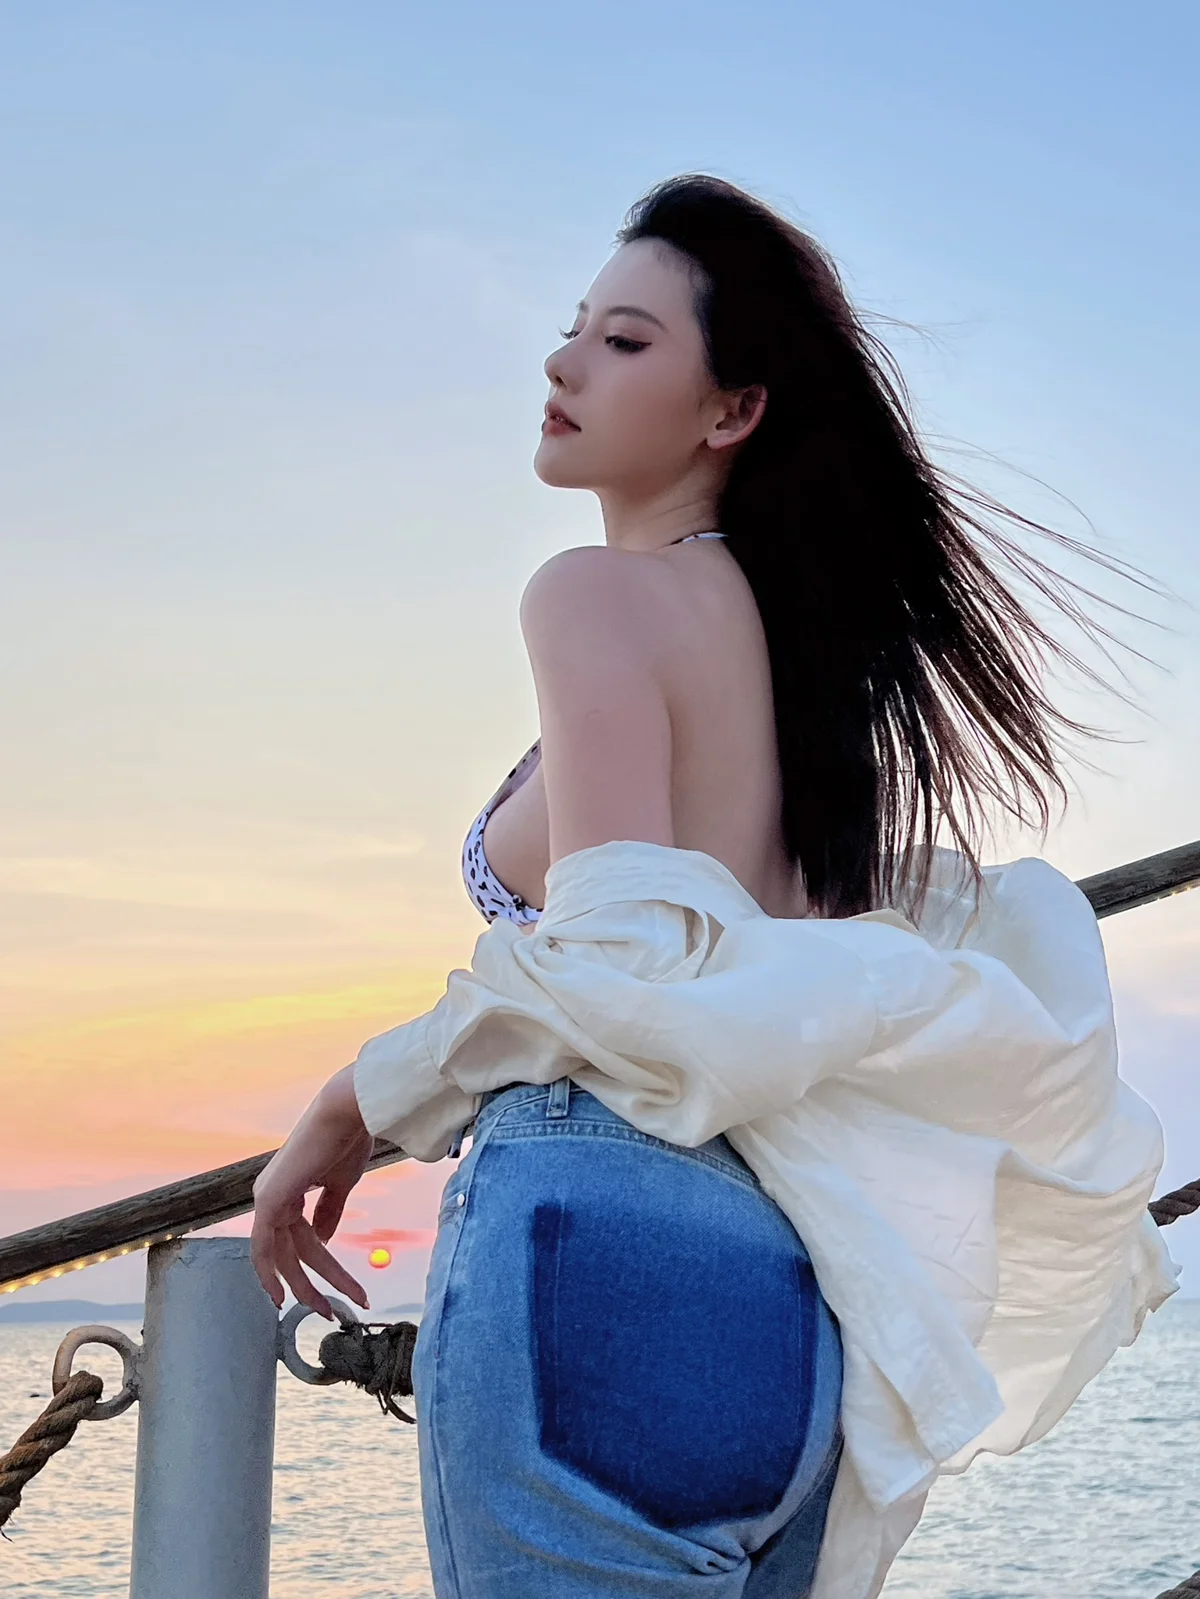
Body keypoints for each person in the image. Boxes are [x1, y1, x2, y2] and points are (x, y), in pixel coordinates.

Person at [250, 174, 1177, 1598]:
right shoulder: (803, 657)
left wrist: (349, 1104)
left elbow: (619, 960)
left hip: (597, 1227)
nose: (564, 362)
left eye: (625, 341)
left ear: (731, 411)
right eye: (575, 327)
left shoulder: (593, 596)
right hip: (789, 1280)